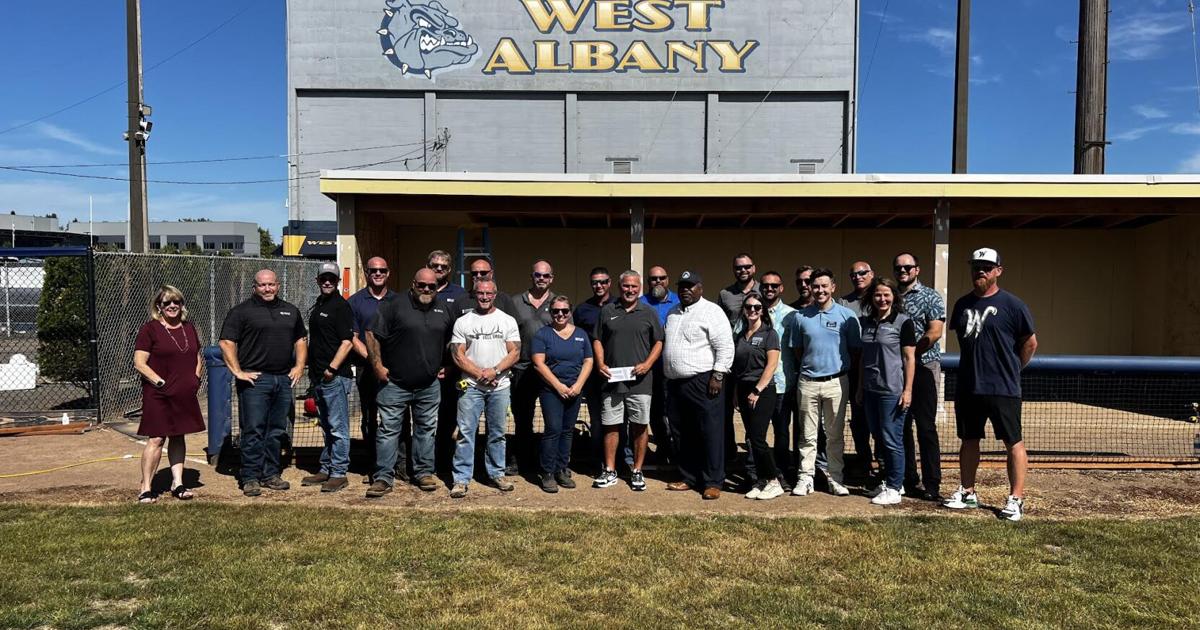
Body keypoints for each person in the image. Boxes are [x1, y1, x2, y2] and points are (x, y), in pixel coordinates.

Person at [944, 248, 1037, 522]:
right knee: (969, 439)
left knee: (1013, 442)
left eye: (986, 267)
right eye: (976, 267)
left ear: (998, 270)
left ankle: (1016, 499)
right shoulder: (962, 305)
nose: (980, 271)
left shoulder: (1013, 305)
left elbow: (1030, 343)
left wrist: (1013, 368)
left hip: (1003, 388)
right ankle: (968, 492)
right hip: (969, 386)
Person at [363, 268, 454, 498]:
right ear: (413, 283)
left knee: (425, 431)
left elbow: (453, 340)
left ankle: (423, 472)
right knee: (388, 431)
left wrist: (450, 365)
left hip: (429, 384)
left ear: (437, 287)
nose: (426, 290)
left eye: (431, 286)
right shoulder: (394, 305)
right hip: (394, 383)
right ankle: (383, 476)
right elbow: (372, 334)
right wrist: (377, 366)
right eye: (421, 285)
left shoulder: (444, 308)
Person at [219, 269, 307, 497]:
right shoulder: (241, 312)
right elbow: (226, 342)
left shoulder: (290, 310)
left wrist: (299, 366)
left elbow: (300, 339)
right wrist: (238, 372)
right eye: (262, 285)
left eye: (271, 284)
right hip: (255, 382)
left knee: (276, 430)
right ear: (254, 287)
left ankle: (270, 474)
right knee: (253, 430)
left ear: (278, 285)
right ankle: (250, 476)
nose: (267, 289)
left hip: (283, 379)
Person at [663, 271, 734, 500]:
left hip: (704, 382)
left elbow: (725, 346)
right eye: (682, 286)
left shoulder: (712, 311)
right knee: (682, 433)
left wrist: (718, 375)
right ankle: (688, 477)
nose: (686, 290)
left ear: (700, 288)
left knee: (710, 432)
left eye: (690, 286)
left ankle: (713, 481)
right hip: (675, 383)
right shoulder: (673, 312)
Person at [591, 271, 664, 491]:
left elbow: (659, 342)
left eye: (634, 286)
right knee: (611, 426)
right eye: (626, 286)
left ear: (639, 287)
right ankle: (610, 470)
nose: (630, 290)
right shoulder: (608, 310)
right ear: (619, 286)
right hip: (612, 381)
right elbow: (597, 339)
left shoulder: (648, 312)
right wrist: (601, 364)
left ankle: (637, 470)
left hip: (640, 382)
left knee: (640, 427)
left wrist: (648, 364)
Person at [791, 268, 860, 497]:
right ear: (810, 288)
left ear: (833, 287)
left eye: (824, 286)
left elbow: (854, 349)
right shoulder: (800, 317)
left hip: (837, 382)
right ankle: (805, 477)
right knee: (807, 435)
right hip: (808, 382)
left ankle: (835, 478)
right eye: (816, 286)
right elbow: (799, 351)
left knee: (834, 434)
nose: (819, 290)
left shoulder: (847, 316)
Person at [132, 285, 205, 503]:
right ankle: (146, 486)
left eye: (177, 302)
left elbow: (197, 355)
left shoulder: (189, 328)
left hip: (184, 392)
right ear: (159, 307)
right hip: (159, 393)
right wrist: (160, 382)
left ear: (182, 305)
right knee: (156, 438)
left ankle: (178, 483)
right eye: (167, 303)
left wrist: (196, 377)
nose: (172, 306)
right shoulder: (150, 329)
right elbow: (139, 363)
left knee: (178, 435)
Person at [450, 279, 521, 498]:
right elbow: (457, 353)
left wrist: (495, 370)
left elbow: (515, 351)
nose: (484, 297)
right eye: (480, 293)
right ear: (474, 294)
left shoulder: (507, 320)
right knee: (465, 432)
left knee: (497, 433)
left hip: (499, 386)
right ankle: (461, 479)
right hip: (471, 386)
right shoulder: (464, 321)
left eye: (489, 293)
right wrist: (479, 373)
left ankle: (496, 474)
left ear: (495, 294)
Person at [857, 278, 917, 506]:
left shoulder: (903, 322)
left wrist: (907, 390)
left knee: (892, 439)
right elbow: (863, 357)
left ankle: (894, 486)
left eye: (886, 295)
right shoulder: (868, 322)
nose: (882, 299)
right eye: (877, 295)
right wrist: (861, 387)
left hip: (892, 390)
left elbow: (909, 358)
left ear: (894, 296)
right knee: (879, 438)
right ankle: (889, 481)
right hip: (871, 389)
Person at [894, 252, 946, 501]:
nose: (902, 271)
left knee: (925, 427)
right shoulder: (890, 296)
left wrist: (914, 352)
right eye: (899, 268)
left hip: (924, 366)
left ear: (917, 269)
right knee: (900, 427)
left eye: (907, 267)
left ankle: (932, 483)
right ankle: (906, 477)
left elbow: (935, 331)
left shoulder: (930, 296)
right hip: (896, 370)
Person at [301, 263, 355, 493]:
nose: (327, 282)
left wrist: (332, 369)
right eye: (324, 278)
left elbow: (347, 341)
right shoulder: (319, 304)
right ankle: (326, 467)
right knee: (325, 425)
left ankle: (339, 472)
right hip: (319, 378)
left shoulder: (340, 307)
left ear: (337, 281)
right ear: (318, 280)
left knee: (337, 427)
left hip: (334, 377)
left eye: (331, 279)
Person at [532, 296, 594, 493]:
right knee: (553, 429)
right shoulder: (543, 334)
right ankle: (547, 471)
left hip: (574, 389)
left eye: (565, 311)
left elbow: (588, 361)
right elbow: (538, 363)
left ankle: (561, 468)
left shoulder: (581, 334)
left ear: (570, 312)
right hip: (551, 390)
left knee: (567, 430)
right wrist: (558, 386)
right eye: (556, 311)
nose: (560, 315)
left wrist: (578, 385)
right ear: (551, 312)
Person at [732, 293, 784, 500]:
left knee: (757, 438)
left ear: (763, 310)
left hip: (763, 391)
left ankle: (774, 481)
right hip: (743, 390)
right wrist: (737, 393)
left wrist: (757, 390)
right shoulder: (741, 335)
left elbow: (771, 366)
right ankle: (761, 480)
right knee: (751, 438)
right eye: (748, 307)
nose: (752, 311)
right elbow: (738, 368)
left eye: (757, 307)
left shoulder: (770, 334)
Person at [573, 267, 626, 470]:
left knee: (618, 418)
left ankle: (619, 460)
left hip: (618, 372)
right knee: (596, 419)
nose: (599, 286)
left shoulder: (620, 305)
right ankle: (598, 460)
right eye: (595, 282)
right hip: (593, 374)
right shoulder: (582, 309)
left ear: (610, 282)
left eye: (603, 281)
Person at [507, 260, 557, 474]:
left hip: (549, 370)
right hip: (521, 368)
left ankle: (546, 463)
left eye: (546, 276)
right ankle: (522, 461)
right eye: (538, 275)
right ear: (532, 276)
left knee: (551, 420)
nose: (541, 279)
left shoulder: (558, 302)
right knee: (523, 419)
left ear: (551, 278)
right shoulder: (516, 302)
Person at [348, 256, 393, 482]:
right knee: (369, 417)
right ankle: (373, 464)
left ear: (388, 273)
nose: (378, 273)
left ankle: (395, 464)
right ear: (367, 272)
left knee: (395, 418)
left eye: (382, 270)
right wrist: (374, 360)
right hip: (367, 369)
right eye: (373, 270)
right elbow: (353, 337)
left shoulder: (398, 300)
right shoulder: (355, 301)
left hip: (393, 369)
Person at [757, 271, 798, 490]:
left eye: (774, 285)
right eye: (766, 285)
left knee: (782, 432)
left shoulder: (792, 315)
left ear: (781, 288)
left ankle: (782, 473)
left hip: (783, 383)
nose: (769, 289)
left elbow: (799, 349)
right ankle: (763, 474)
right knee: (758, 433)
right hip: (757, 385)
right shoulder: (753, 311)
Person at [718, 253, 759, 467]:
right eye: (738, 267)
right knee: (726, 410)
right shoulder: (725, 294)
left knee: (754, 414)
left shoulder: (764, 290)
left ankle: (755, 458)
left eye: (747, 267)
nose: (743, 270)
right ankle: (729, 454)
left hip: (756, 361)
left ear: (754, 268)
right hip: (731, 360)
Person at [841, 260, 879, 482]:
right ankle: (864, 462)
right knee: (859, 420)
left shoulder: (881, 297)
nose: (858, 277)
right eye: (853, 274)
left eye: (863, 273)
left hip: (879, 369)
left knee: (881, 421)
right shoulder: (845, 303)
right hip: (854, 370)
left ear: (871, 273)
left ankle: (884, 466)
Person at [641, 265, 679, 463]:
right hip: (649, 367)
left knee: (673, 409)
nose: (658, 282)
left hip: (673, 366)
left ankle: (677, 448)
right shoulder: (641, 303)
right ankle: (664, 448)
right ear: (648, 282)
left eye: (662, 278)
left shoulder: (679, 301)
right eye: (653, 279)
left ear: (668, 279)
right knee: (655, 410)